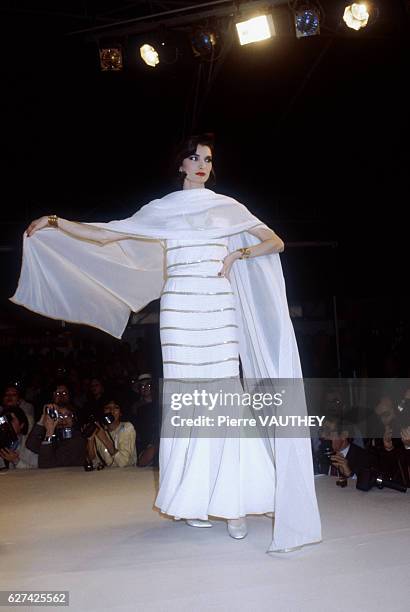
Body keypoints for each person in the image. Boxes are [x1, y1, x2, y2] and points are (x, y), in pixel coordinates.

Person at [10, 133, 321, 553]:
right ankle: (193, 499)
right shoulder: (163, 209)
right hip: (178, 314)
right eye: (194, 157)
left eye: (208, 159)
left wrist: (236, 256)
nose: (201, 164)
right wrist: (54, 222)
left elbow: (275, 241)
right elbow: (107, 235)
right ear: (181, 164)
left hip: (217, 308)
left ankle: (234, 507)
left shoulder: (226, 206)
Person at [85, 400, 137, 468]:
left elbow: (123, 463)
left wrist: (104, 439)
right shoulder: (99, 430)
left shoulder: (127, 427)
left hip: (128, 475)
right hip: (106, 475)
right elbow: (93, 463)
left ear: (120, 412)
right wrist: (90, 439)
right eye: (107, 408)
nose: (111, 411)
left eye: (116, 407)